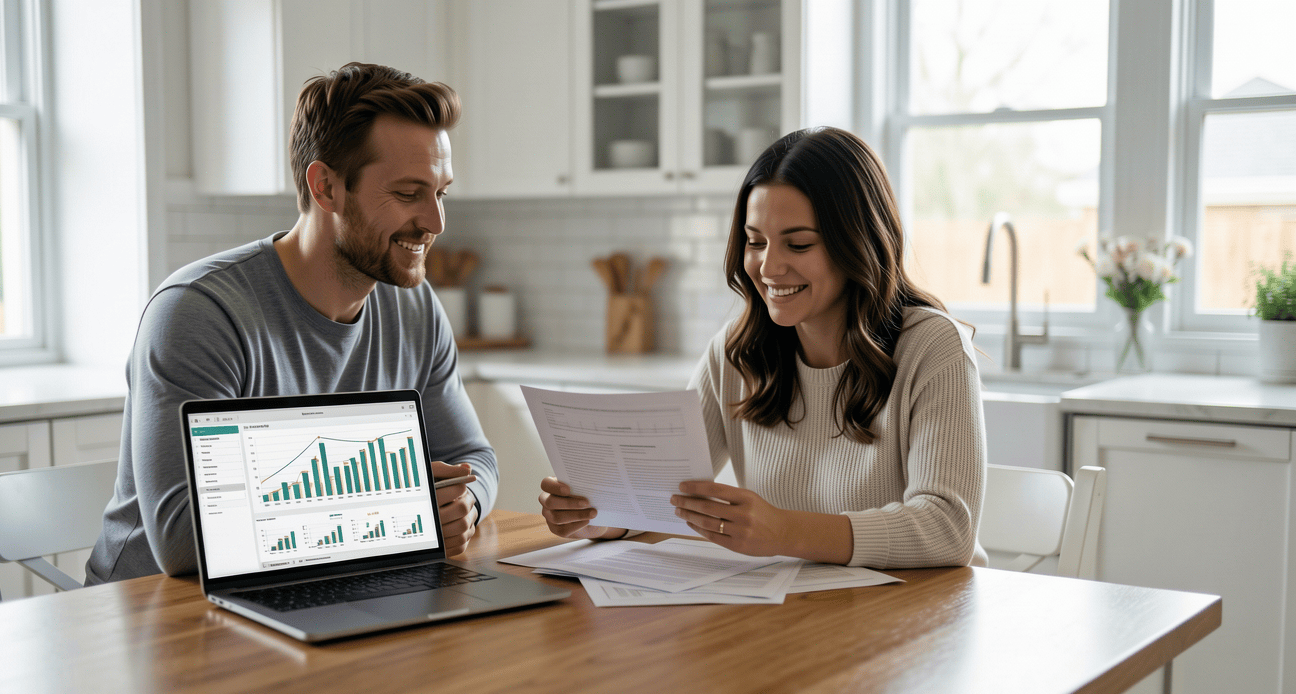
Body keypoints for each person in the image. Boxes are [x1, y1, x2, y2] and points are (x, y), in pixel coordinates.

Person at [85, 63, 495, 583]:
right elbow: (183, 538)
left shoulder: (413, 307)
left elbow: (472, 457)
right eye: (409, 193)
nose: (436, 223)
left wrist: (464, 508)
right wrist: (401, 512)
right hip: (157, 619)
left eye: (441, 193)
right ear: (326, 187)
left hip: (324, 584)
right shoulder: (197, 313)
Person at [539, 127, 987, 568]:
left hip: (920, 617)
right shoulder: (735, 353)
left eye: (799, 243)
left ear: (858, 242)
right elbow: (668, 497)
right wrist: (602, 518)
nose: (769, 266)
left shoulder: (933, 349)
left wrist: (784, 532)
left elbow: (948, 528)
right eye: (756, 242)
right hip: (792, 613)